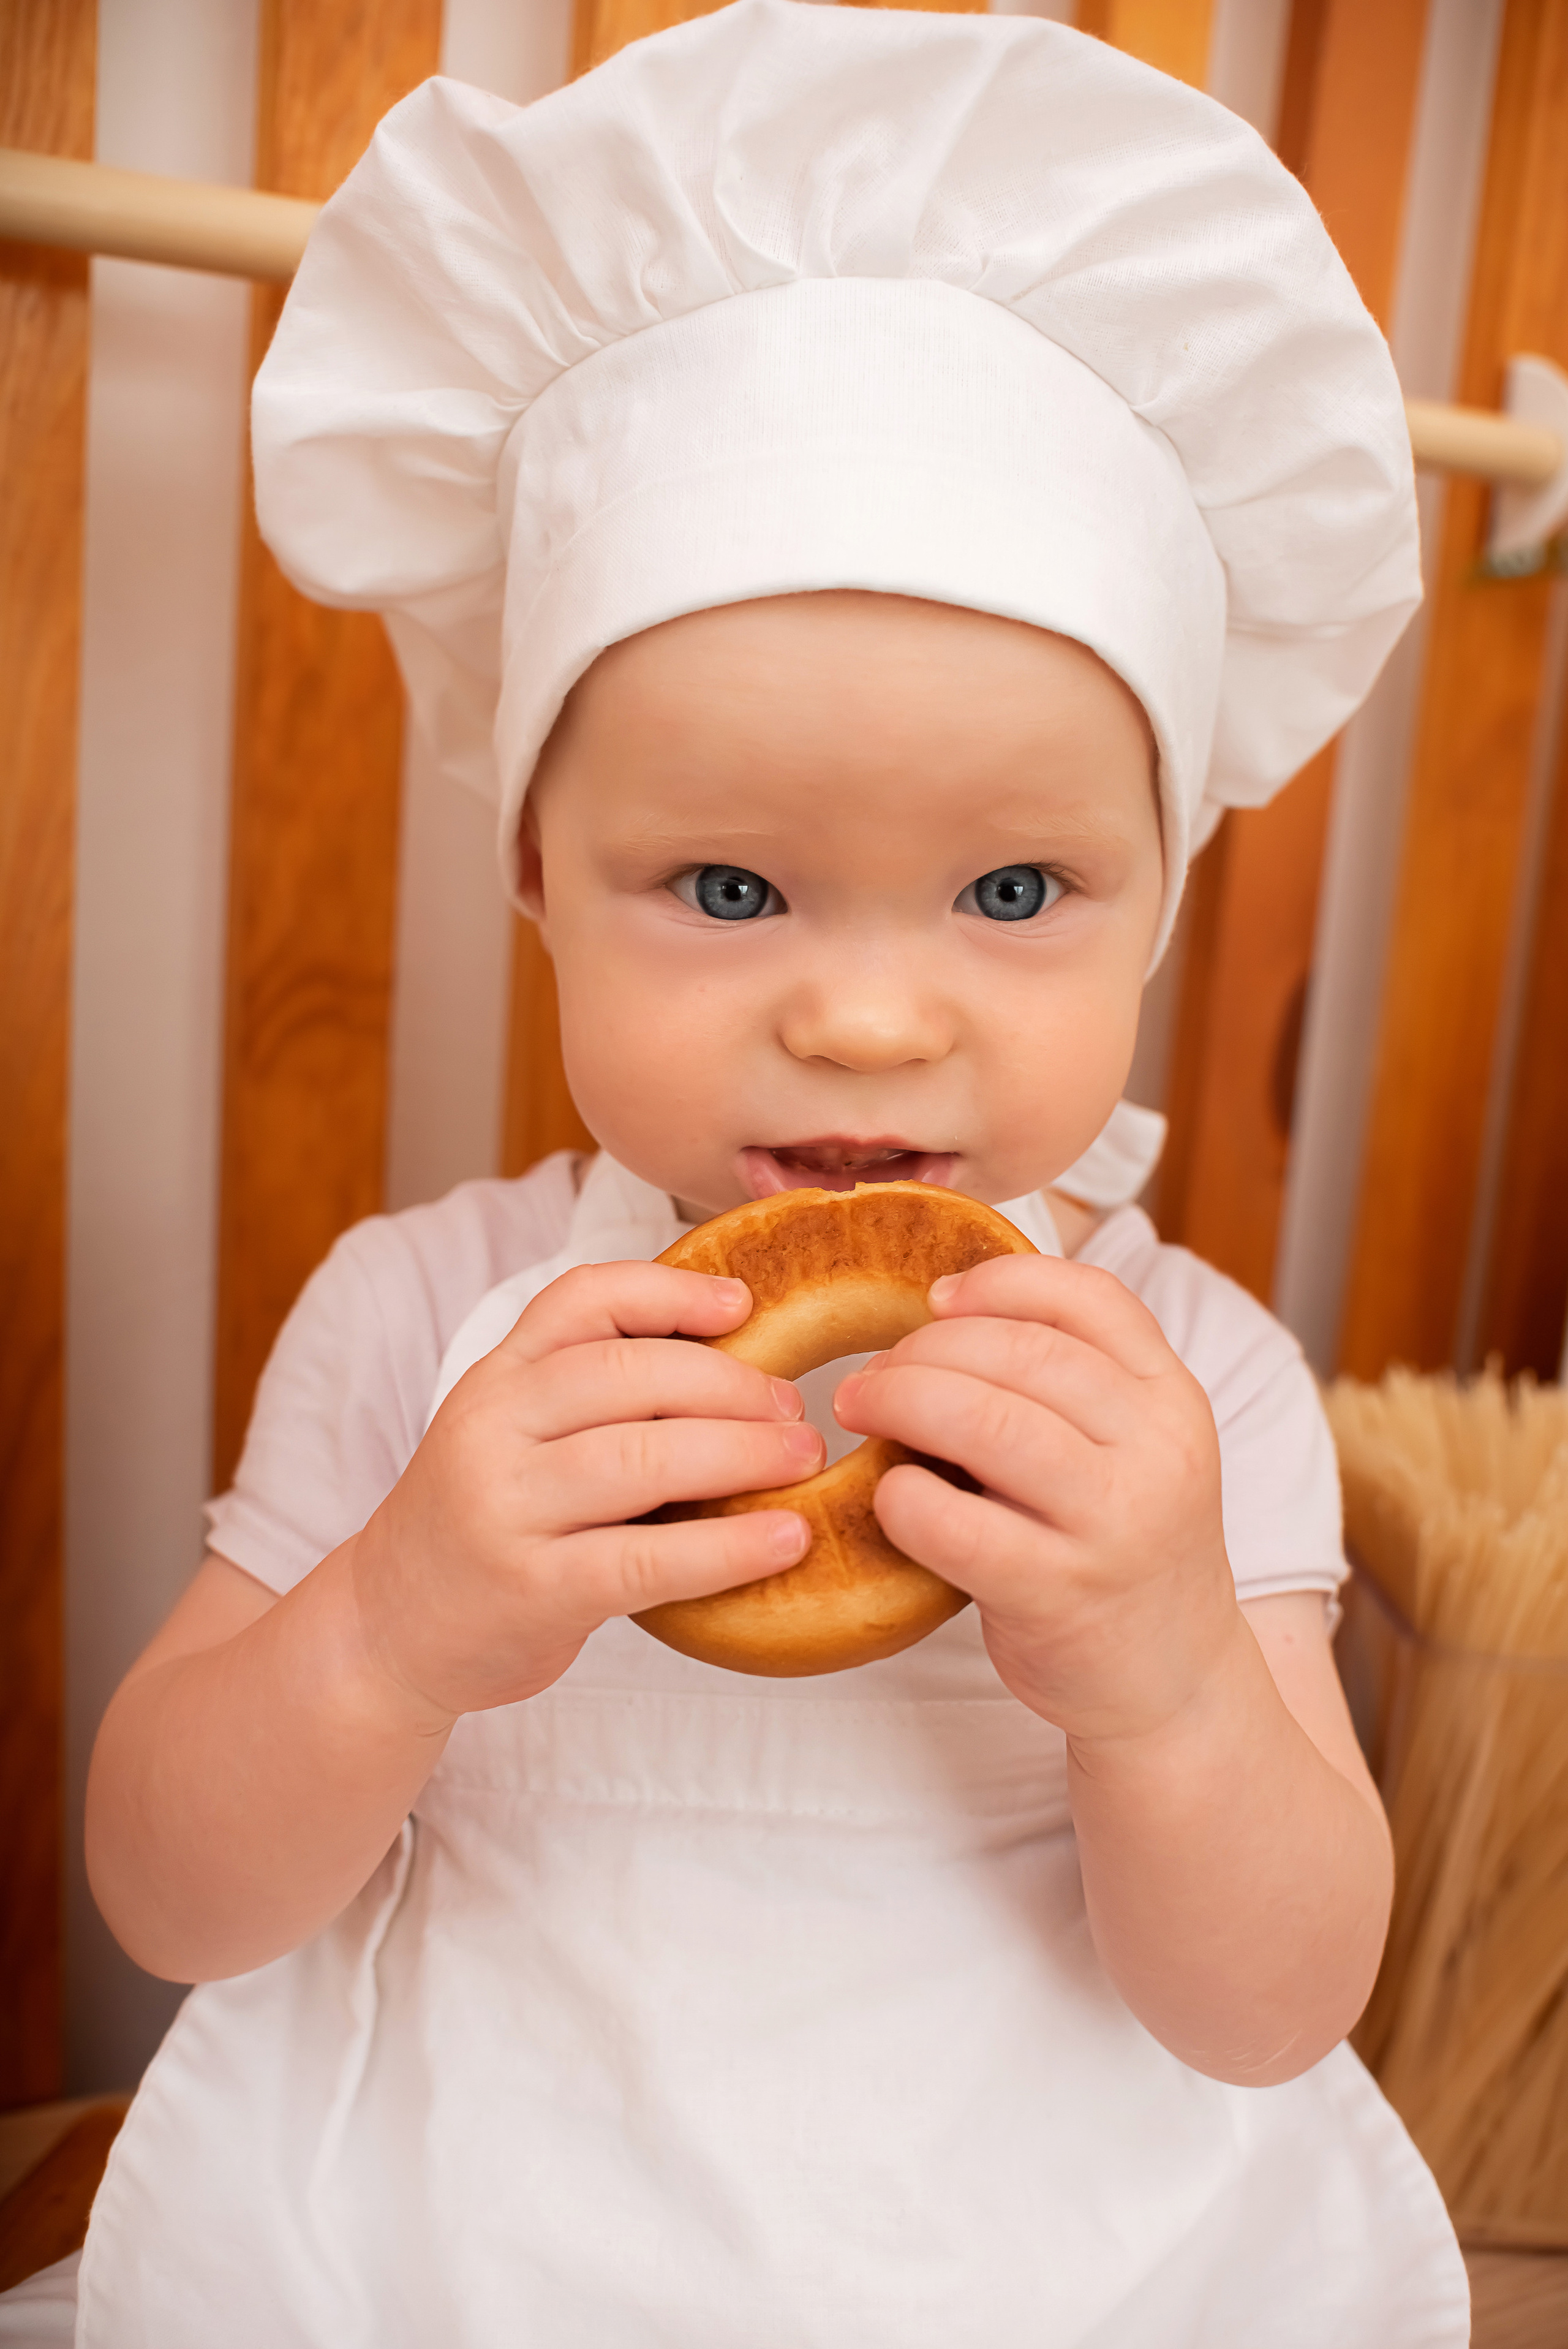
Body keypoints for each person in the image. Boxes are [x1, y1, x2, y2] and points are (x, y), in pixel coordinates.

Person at [17, 5, 1471, 2341]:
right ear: (537, 875)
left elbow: (1269, 2012)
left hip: (1032, 2243)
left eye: (1014, 894)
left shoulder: (1187, 1376)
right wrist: (388, 1626)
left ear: (1164, 899)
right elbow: (172, 1895)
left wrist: (1179, 1681)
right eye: (725, 887)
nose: (870, 1016)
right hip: (462, 2214)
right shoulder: (423, 1311)